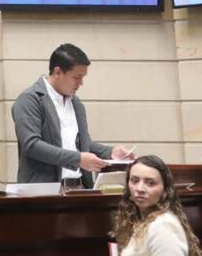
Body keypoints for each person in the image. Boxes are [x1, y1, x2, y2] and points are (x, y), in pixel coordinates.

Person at [12, 43, 132, 188]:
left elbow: (81, 144)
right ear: (57, 72)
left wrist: (110, 152)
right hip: (43, 191)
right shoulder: (30, 99)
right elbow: (31, 145)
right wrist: (78, 159)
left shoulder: (76, 103)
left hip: (79, 187)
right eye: (76, 77)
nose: (81, 83)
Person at [104, 155, 202, 256]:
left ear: (165, 189)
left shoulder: (164, 226)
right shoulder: (144, 222)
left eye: (150, 183)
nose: (140, 188)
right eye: (134, 180)